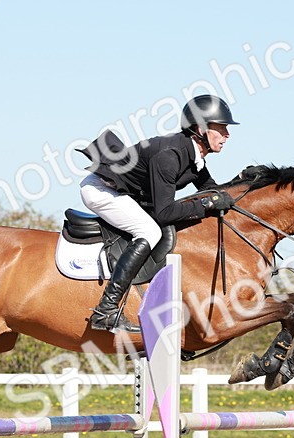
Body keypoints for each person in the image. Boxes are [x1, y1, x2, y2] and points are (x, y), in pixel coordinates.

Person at [78, 95, 239, 333]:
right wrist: (206, 205)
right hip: (102, 190)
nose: (227, 135)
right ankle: (106, 310)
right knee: (149, 230)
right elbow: (163, 213)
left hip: (127, 193)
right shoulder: (170, 156)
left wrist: (244, 185)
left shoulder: (194, 156)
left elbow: (212, 191)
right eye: (222, 128)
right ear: (201, 129)